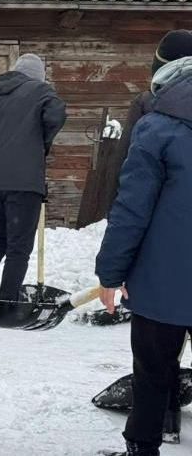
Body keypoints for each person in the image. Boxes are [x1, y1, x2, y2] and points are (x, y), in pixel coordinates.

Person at [96, 30, 192, 456]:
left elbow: (132, 209)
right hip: (165, 280)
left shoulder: (156, 127)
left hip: (163, 282)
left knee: (153, 370)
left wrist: (110, 272)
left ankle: (143, 448)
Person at [0, 53, 67, 301]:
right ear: (38, 76)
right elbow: (56, 114)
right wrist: (42, 143)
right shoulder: (40, 91)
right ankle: (8, 299)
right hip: (24, 180)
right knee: (19, 246)